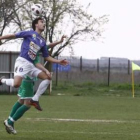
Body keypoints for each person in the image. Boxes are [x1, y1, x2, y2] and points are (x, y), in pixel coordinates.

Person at [0, 17, 68, 133]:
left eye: (44, 23)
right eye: (42, 22)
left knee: (48, 78)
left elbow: (46, 56)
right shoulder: (29, 33)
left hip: (32, 65)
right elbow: (14, 35)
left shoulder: (41, 40)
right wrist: (1, 37)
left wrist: (58, 61)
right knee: (17, 85)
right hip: (22, 61)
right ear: (36, 24)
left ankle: (35, 99)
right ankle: (2, 80)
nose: (44, 24)